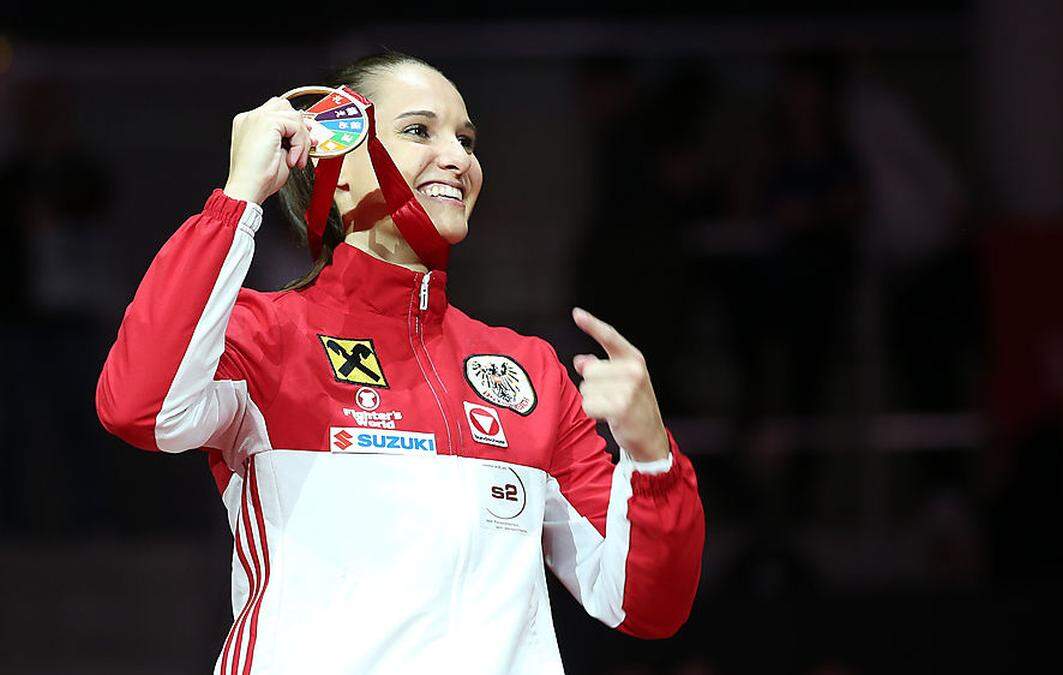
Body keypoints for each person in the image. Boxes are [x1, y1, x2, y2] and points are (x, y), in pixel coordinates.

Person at [94, 51, 705, 674]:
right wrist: (239, 196)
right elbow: (140, 408)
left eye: (466, 139)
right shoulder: (266, 335)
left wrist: (652, 456)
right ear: (341, 168)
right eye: (420, 131)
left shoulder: (527, 371)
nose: (458, 158)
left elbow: (646, 604)